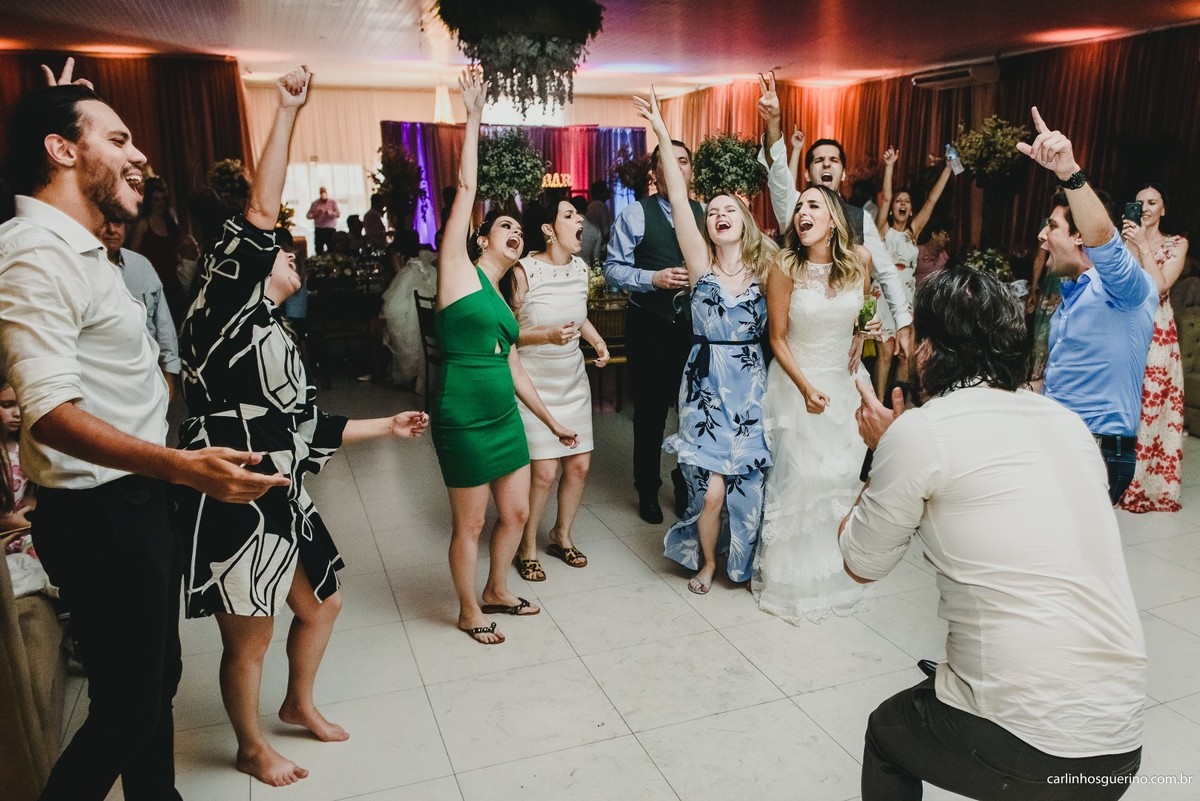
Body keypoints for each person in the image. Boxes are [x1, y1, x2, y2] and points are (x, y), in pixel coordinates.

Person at [0, 56, 287, 801]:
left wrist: (68, 109)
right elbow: (49, 413)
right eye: (119, 138)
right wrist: (183, 467)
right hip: (101, 512)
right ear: (62, 151)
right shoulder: (34, 252)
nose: (140, 155)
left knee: (154, 685)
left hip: (134, 499)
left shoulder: (87, 250)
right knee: (128, 706)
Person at [174, 67, 428, 787]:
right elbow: (260, 207)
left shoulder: (276, 329)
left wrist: (388, 425)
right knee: (250, 635)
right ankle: (251, 746)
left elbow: (308, 425)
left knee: (324, 603)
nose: (291, 255)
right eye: (282, 252)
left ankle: (297, 703)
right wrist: (287, 111)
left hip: (284, 488)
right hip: (235, 485)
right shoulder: (227, 307)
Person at [841, 267, 1146, 800]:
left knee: (888, 734)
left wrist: (883, 451)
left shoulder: (923, 430)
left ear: (928, 351)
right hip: (1121, 738)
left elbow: (859, 564)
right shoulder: (1067, 423)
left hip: (1036, 745)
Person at [432, 71, 577, 645]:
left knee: (516, 515)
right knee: (469, 522)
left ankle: (496, 587)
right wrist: (474, 114)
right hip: (464, 417)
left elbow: (513, 365)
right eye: (505, 225)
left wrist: (550, 420)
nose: (515, 230)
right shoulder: (457, 272)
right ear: (482, 239)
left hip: (504, 417)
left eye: (519, 226)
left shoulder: (503, 294)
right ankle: (469, 609)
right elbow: (466, 187)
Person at [635, 92, 775, 594]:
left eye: (728, 209)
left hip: (752, 389)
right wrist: (660, 128)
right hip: (706, 388)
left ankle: (746, 565)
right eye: (711, 210)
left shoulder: (767, 267)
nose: (718, 214)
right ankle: (709, 563)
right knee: (711, 491)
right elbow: (678, 199)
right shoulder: (700, 266)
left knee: (749, 490)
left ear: (744, 219)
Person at [1017, 107, 1157, 504]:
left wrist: (1069, 172)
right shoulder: (1072, 294)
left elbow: (1106, 244)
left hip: (1096, 449)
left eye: (1052, 226)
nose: (1041, 236)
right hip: (1059, 437)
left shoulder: (1127, 289)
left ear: (1080, 237)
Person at [752, 183, 874, 622]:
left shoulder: (859, 261)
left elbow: (864, 308)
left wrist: (862, 334)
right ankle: (792, 580)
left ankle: (837, 571)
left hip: (845, 384)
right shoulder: (785, 267)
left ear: (833, 219)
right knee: (802, 478)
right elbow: (777, 338)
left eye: (813, 205)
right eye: (799, 206)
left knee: (839, 479)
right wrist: (804, 388)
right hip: (795, 384)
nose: (802, 211)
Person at [755, 71, 914, 361]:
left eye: (834, 160)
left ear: (843, 173)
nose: (826, 164)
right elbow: (778, 174)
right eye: (818, 160)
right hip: (794, 345)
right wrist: (774, 122)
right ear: (807, 173)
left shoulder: (860, 218)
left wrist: (898, 322)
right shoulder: (795, 207)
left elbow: (882, 275)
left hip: (840, 350)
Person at [603, 136, 704, 524]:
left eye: (683, 161)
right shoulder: (636, 214)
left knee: (693, 411)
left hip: (696, 330)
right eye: (667, 161)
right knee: (650, 413)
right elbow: (612, 270)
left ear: (690, 171)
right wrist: (652, 278)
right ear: (655, 172)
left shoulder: (705, 213)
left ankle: (684, 483)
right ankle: (647, 488)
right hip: (650, 324)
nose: (677, 168)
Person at [509, 199, 609, 582]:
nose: (578, 218)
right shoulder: (523, 272)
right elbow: (507, 332)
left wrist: (596, 341)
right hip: (534, 386)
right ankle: (526, 546)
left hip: (572, 382)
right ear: (548, 229)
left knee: (579, 465)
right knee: (544, 472)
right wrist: (545, 336)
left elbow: (578, 318)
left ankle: (561, 535)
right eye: (568, 215)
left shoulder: (580, 268)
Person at [1119, 183, 1189, 512]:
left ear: (1163, 209)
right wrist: (1129, 244)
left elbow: (1160, 286)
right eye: (1139, 203)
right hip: (1127, 328)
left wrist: (1143, 245)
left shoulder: (1178, 244)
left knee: (1151, 406)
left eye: (1151, 202)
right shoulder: (1126, 241)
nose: (1144, 208)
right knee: (1125, 404)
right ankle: (1116, 478)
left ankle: (1144, 484)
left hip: (1158, 333)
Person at [872, 147, 954, 399]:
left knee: (905, 354)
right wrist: (890, 166)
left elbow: (931, 201)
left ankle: (899, 401)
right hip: (883, 296)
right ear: (892, 208)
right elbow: (885, 198)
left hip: (907, 298)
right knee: (886, 353)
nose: (902, 204)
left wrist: (948, 169)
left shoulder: (913, 232)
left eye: (907, 202)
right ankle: (878, 402)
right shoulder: (883, 229)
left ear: (910, 209)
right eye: (899, 201)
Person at [99, 220, 180, 401]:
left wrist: (169, 374)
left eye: (117, 223)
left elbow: (163, 323)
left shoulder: (141, 265)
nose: (112, 230)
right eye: (105, 223)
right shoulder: (81, 268)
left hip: (148, 378)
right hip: (103, 382)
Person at [129, 176, 188, 322]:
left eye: (163, 199)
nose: (160, 203)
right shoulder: (144, 224)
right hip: (151, 282)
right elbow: (132, 253)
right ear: (149, 201)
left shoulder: (170, 222)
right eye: (156, 200)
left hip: (172, 281)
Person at [1, 376, 35, 555]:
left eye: (21, 405)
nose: (17, 413)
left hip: (23, 536)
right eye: (7, 405)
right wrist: (6, 522)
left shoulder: (22, 449)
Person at [1024, 246, 1060, 388]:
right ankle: (1037, 378)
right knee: (1041, 336)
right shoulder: (1048, 232)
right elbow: (1040, 257)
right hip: (1051, 287)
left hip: (1070, 287)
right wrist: (1033, 289)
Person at [306, 185, 340, 253]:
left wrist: (329, 213)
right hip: (319, 230)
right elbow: (308, 216)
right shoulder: (315, 203)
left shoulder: (332, 202)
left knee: (332, 248)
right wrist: (316, 214)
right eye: (321, 192)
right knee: (318, 249)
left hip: (330, 230)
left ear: (326, 192)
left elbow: (338, 214)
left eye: (324, 191)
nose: (323, 193)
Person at [586, 179, 613, 250]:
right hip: (599, 247)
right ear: (601, 193)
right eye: (606, 189)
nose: (608, 191)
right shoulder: (601, 207)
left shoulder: (591, 206)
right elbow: (606, 232)